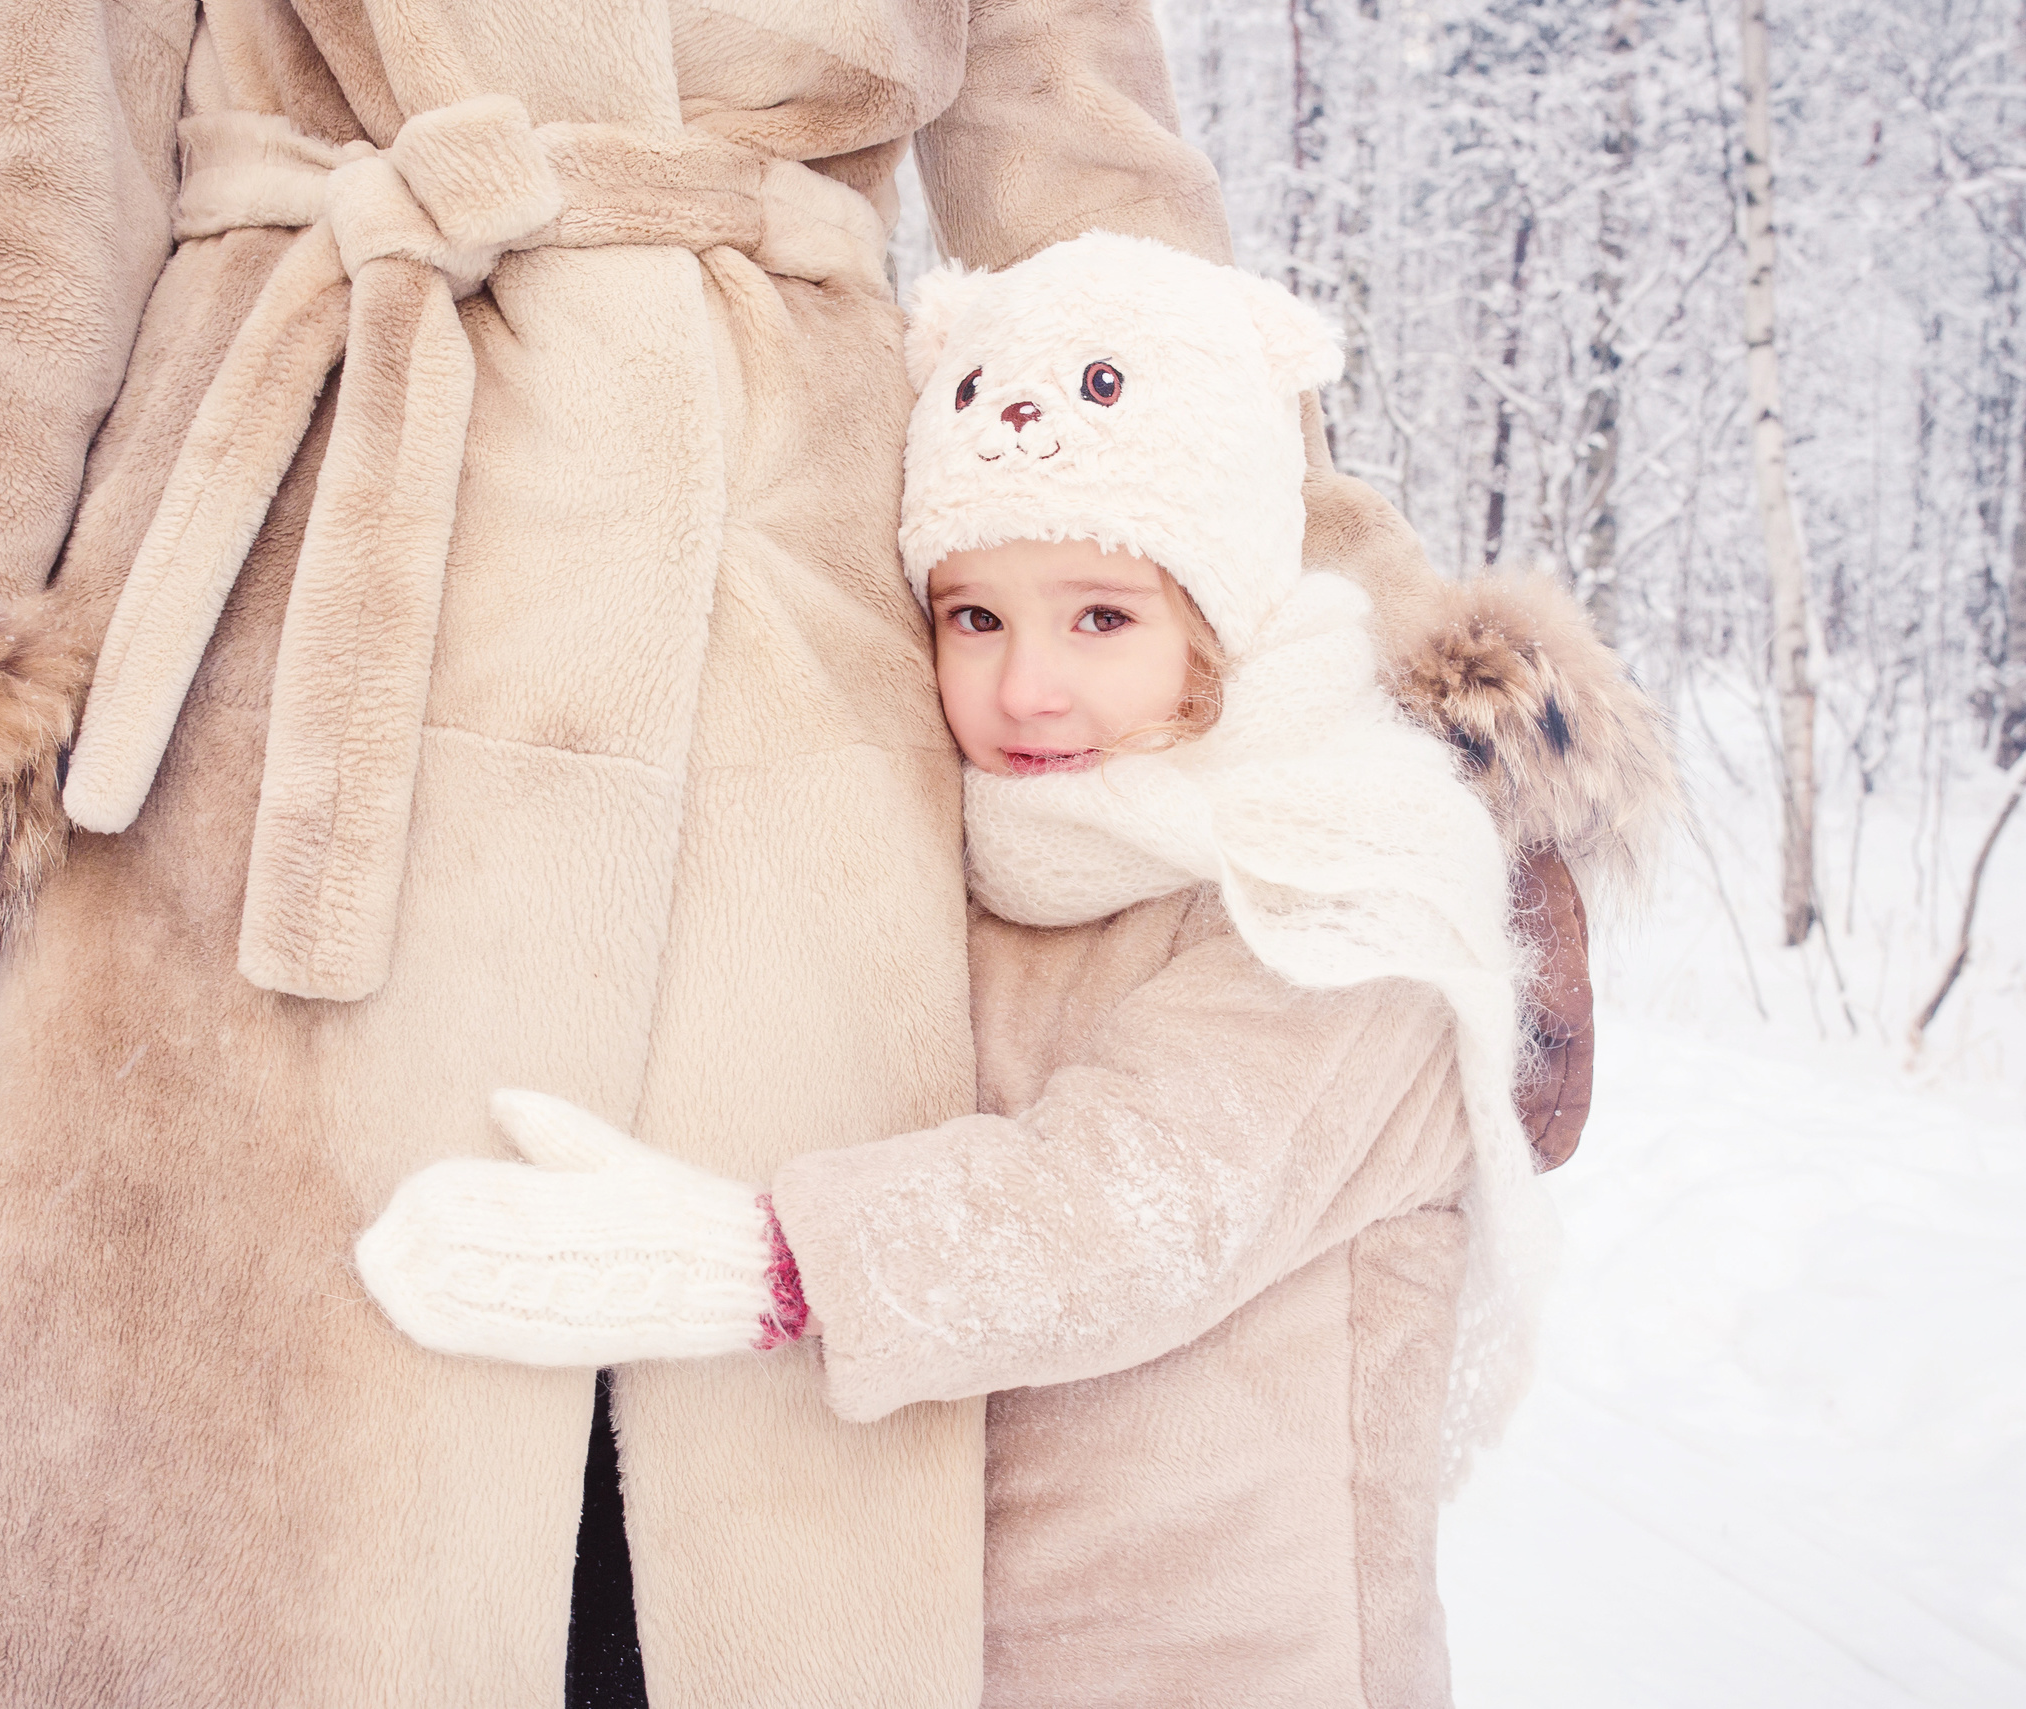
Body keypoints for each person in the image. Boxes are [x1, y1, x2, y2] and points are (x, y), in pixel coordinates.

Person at [0, 3, 1621, 1703]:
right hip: (285, 638)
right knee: (242, 1535)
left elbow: (1127, 261)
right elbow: (9, 192)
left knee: (706, 1532)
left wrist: (1413, 701)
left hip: (800, 690)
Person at [357, 235, 1678, 1707]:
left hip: (1248, 1661)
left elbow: (1124, 1206)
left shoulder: (1350, 891)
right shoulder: (1012, 861)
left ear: (1221, 616)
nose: (1027, 685)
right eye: (976, 616)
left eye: (1102, 615)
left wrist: (751, 1262)